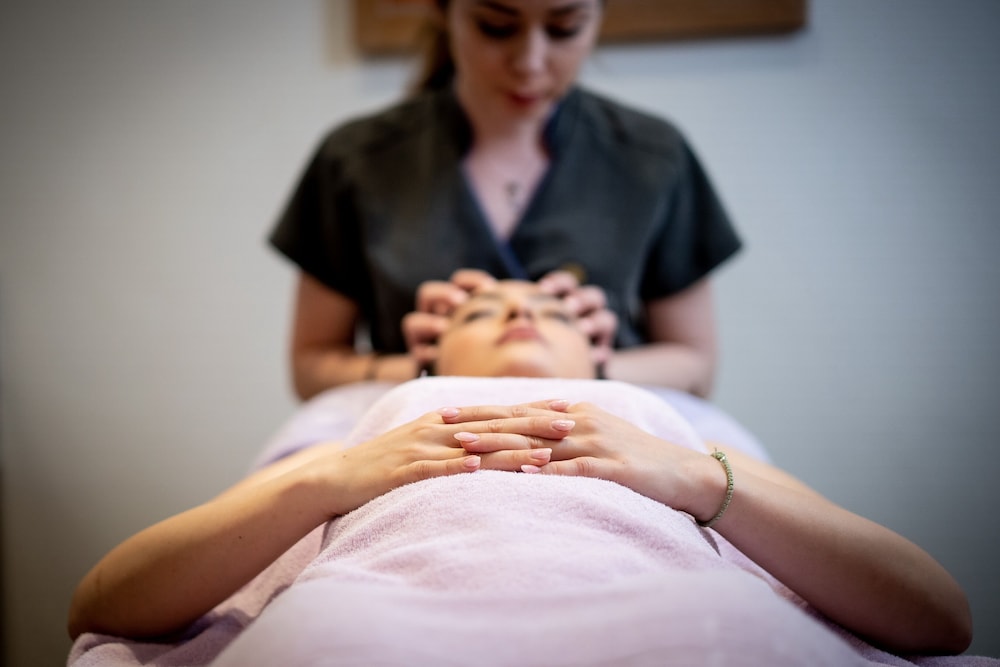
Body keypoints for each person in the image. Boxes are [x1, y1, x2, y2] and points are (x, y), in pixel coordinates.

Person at [68, 281, 973, 662]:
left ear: (600, 355)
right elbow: (105, 602)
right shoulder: (375, 423)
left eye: (551, 308)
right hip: (374, 632)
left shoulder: (668, 425)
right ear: (430, 360)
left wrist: (694, 476)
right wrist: (329, 480)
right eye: (484, 309)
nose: (518, 313)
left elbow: (937, 615)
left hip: (688, 623)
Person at [269, 0, 742, 400]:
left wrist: (592, 365)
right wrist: (424, 367)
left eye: (564, 28)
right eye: (496, 26)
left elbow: (695, 366)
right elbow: (311, 366)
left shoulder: (652, 157)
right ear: (441, 10)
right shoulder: (356, 161)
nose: (530, 62)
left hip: (608, 437)